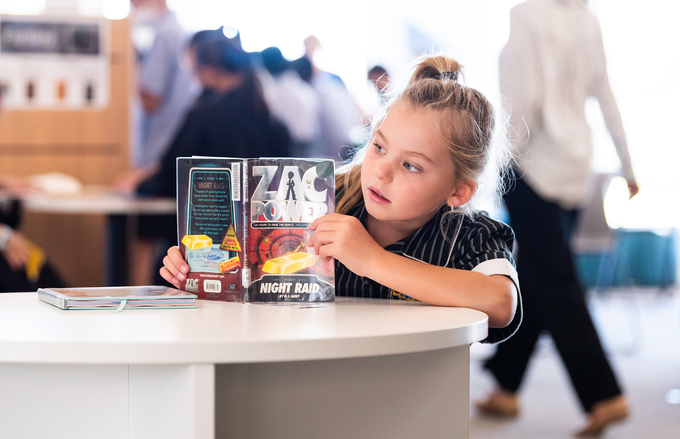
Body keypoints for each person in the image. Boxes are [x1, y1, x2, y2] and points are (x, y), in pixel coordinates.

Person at [158, 54, 523, 344]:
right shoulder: (320, 200)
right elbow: (254, 300)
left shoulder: (470, 234)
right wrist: (204, 272)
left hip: (416, 391)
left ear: (459, 191)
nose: (382, 172)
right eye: (379, 147)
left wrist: (371, 260)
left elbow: (500, 302)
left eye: (411, 165)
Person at [476, 0, 637, 436]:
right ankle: (507, 387)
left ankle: (604, 395)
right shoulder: (588, 20)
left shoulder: (525, 14)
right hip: (575, 167)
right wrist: (627, 164)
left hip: (532, 165)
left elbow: (523, 101)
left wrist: (496, 163)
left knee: (556, 280)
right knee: (538, 274)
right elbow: (605, 94)